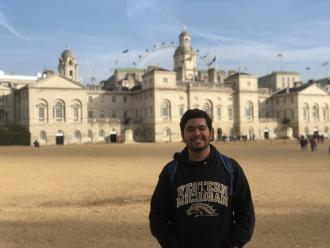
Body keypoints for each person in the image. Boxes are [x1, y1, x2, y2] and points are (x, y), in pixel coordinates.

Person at [149, 109, 255, 248]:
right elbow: (157, 216)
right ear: (183, 135)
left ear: (210, 133)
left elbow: (246, 214)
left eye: (201, 128)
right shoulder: (171, 171)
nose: (197, 133)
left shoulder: (231, 168)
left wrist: (232, 245)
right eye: (190, 129)